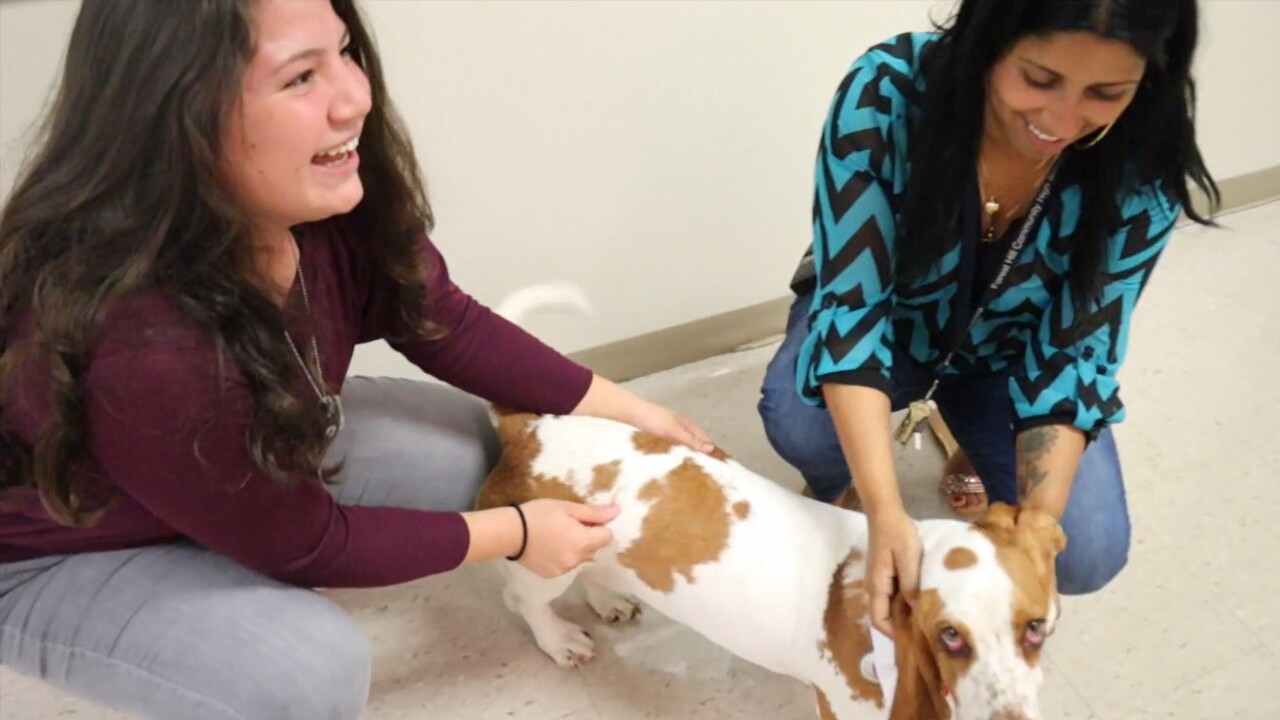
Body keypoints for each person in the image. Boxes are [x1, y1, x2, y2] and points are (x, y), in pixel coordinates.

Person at [0, 1, 714, 718]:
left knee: (476, 453)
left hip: (225, 454)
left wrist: (638, 410)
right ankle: (202, 563)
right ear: (178, 111)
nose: (355, 98)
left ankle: (221, 533)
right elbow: (305, 545)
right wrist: (521, 532)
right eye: (301, 77)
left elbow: (446, 322)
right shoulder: (145, 342)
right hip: (58, 549)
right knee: (304, 674)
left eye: (346, 51)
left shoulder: (321, 206)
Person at [757, 0, 1219, 635]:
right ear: (988, 37)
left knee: (1084, 552)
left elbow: (1077, 352)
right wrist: (889, 513)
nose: (1061, 121)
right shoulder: (888, 93)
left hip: (1011, 357)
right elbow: (854, 310)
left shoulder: (1146, 160)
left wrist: (1035, 533)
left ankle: (968, 444)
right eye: (1039, 79)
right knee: (799, 420)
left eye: (1106, 93)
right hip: (889, 323)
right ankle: (839, 485)